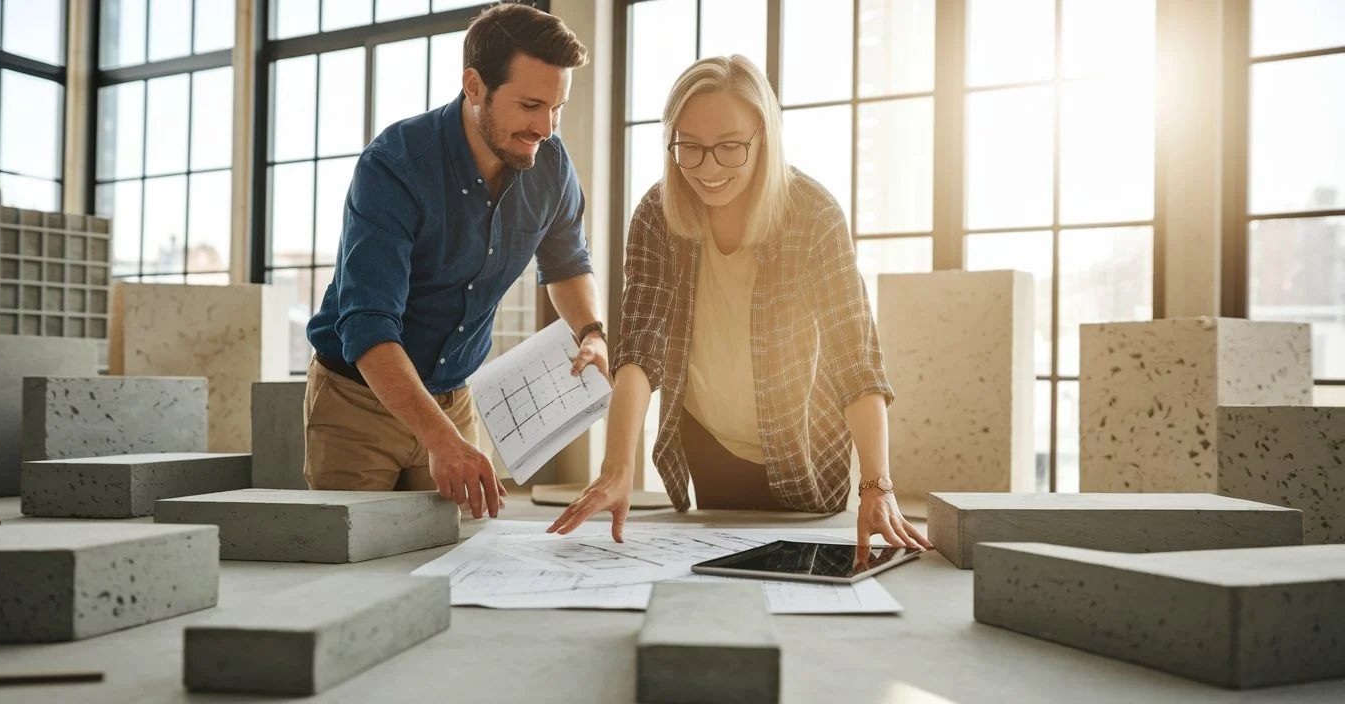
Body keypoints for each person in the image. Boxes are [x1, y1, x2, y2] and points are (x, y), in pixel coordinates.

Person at [547, 55, 932, 553]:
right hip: (710, 443)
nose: (708, 169)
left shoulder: (813, 215)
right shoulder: (657, 215)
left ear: (764, 139)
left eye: (730, 147)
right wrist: (616, 468)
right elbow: (640, 350)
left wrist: (878, 486)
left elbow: (855, 360)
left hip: (806, 451)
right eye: (690, 147)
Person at [303, 3, 610, 521]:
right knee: (355, 569)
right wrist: (440, 441)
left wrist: (593, 332)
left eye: (556, 107)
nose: (547, 127)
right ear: (474, 86)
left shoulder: (551, 165)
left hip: (453, 398)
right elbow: (368, 327)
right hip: (358, 401)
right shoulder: (394, 166)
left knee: (463, 561)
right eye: (531, 105)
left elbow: (568, 264)